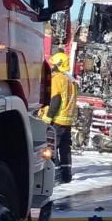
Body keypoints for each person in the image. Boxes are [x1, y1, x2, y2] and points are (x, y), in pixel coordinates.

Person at [39, 51, 78, 184]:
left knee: (51, 147)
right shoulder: (72, 81)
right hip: (67, 120)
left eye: (54, 65)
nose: (52, 67)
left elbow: (55, 99)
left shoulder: (57, 79)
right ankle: (66, 175)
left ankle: (54, 175)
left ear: (59, 65)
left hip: (57, 119)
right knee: (65, 147)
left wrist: (48, 117)